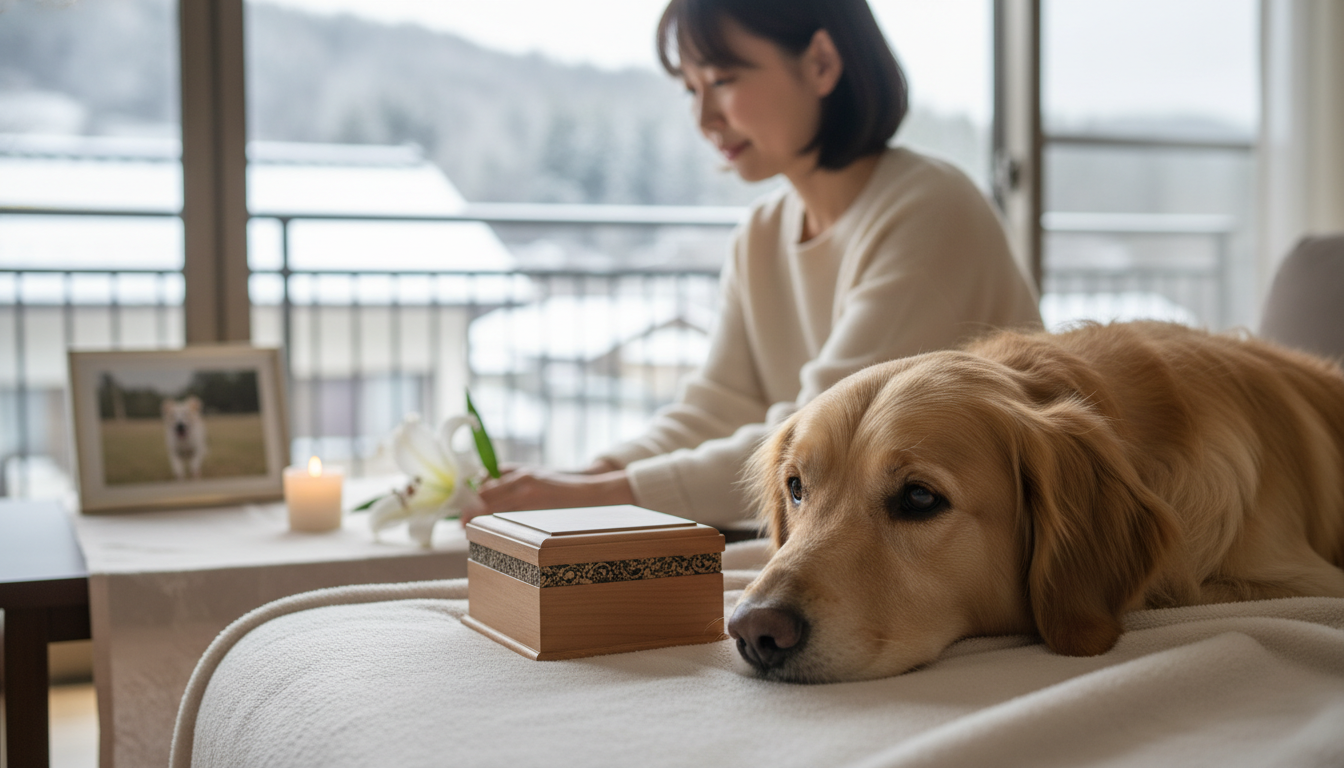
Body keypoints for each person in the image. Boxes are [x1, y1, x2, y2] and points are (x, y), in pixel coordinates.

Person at [468, 0, 1041, 528]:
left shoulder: (929, 209)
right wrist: (586, 477)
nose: (705, 117)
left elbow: (819, 441)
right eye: (690, 89)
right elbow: (715, 406)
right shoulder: (761, 235)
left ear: (820, 63)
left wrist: (601, 495)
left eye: (721, 80)